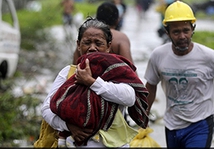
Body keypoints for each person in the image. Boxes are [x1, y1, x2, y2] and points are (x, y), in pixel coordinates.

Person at [144, 0, 214, 148]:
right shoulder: (158, 55)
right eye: (176, 32)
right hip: (172, 125)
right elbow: (151, 85)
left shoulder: (209, 57)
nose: (182, 36)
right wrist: (144, 114)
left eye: (186, 30)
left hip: (200, 124)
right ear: (167, 32)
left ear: (193, 29)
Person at [41, 17, 149, 148]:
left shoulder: (117, 71)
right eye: (87, 43)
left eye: (98, 43)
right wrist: (68, 126)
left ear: (108, 46)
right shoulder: (68, 73)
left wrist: (91, 82)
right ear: (78, 45)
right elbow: (47, 109)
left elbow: (129, 98)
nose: (92, 48)